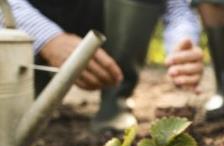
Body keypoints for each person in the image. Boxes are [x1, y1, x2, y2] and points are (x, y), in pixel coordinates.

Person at [0, 0, 204, 131]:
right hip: (35, 21)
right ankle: (30, 96)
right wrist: (48, 38)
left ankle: (115, 100)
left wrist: (182, 44)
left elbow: (177, 8)